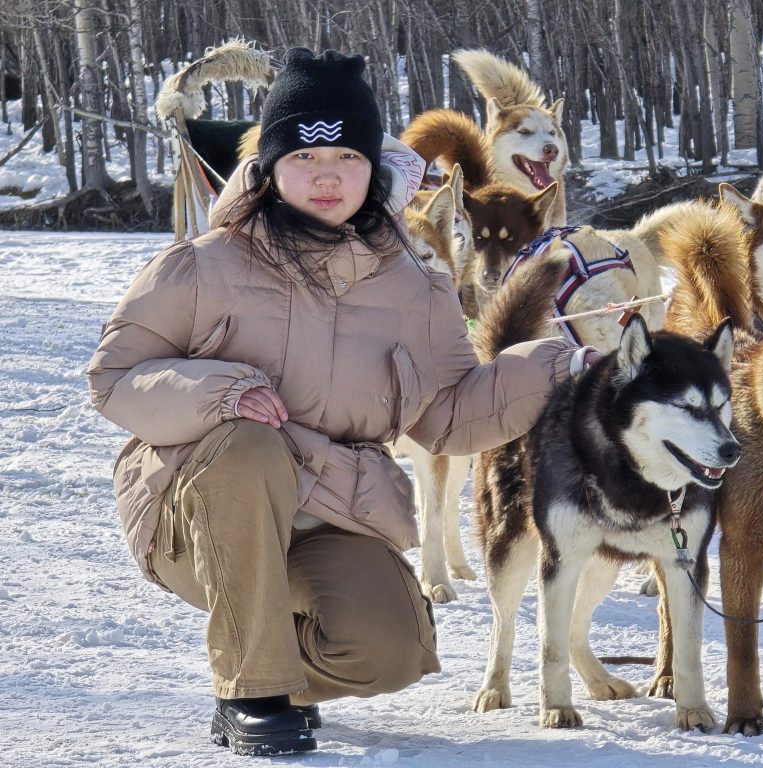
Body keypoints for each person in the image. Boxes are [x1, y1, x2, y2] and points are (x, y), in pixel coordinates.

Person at [87, 48, 596, 757]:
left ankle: (262, 656)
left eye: (347, 159)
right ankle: (252, 692)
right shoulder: (202, 264)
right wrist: (222, 391)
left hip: (330, 508)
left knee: (387, 651)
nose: (327, 177)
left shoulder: (415, 287)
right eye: (304, 158)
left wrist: (558, 366)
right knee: (248, 442)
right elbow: (115, 377)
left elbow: (448, 412)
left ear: (375, 168)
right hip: (196, 509)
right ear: (268, 169)